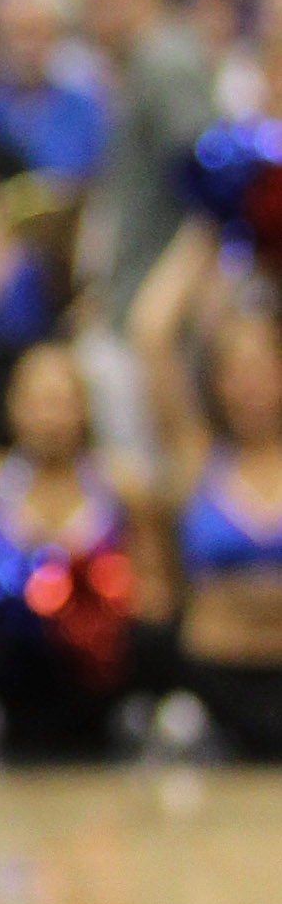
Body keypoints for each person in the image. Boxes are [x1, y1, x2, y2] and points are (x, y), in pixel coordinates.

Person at [0, 343, 154, 763]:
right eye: (38, 403)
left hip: (98, 666)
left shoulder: (124, 489)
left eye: (62, 402)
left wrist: (98, 601)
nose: (50, 418)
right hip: (7, 663)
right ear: (13, 409)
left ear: (85, 411)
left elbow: (156, 595)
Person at [131, 218, 282, 758]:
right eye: (235, 372)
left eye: (265, 368)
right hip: (215, 683)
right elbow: (151, 331)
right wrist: (211, 221)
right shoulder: (197, 458)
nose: (251, 387)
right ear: (215, 384)